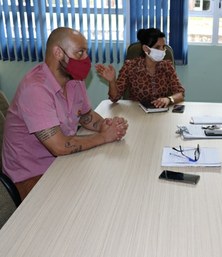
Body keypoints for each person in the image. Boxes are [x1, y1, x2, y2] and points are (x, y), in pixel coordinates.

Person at [2, 27, 129, 200]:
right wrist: (104, 137)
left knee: (108, 187)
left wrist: (105, 125)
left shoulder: (74, 80)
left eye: (86, 52)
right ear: (58, 53)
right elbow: (59, 146)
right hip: (30, 175)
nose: (86, 59)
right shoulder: (35, 89)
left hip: (61, 163)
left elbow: (85, 116)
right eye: (80, 53)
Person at [95, 28, 185, 108]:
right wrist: (112, 81)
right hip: (137, 113)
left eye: (163, 47)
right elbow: (114, 98)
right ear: (146, 49)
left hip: (162, 112)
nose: (162, 51)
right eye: (157, 47)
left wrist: (169, 99)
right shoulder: (130, 66)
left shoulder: (167, 66)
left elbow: (180, 94)